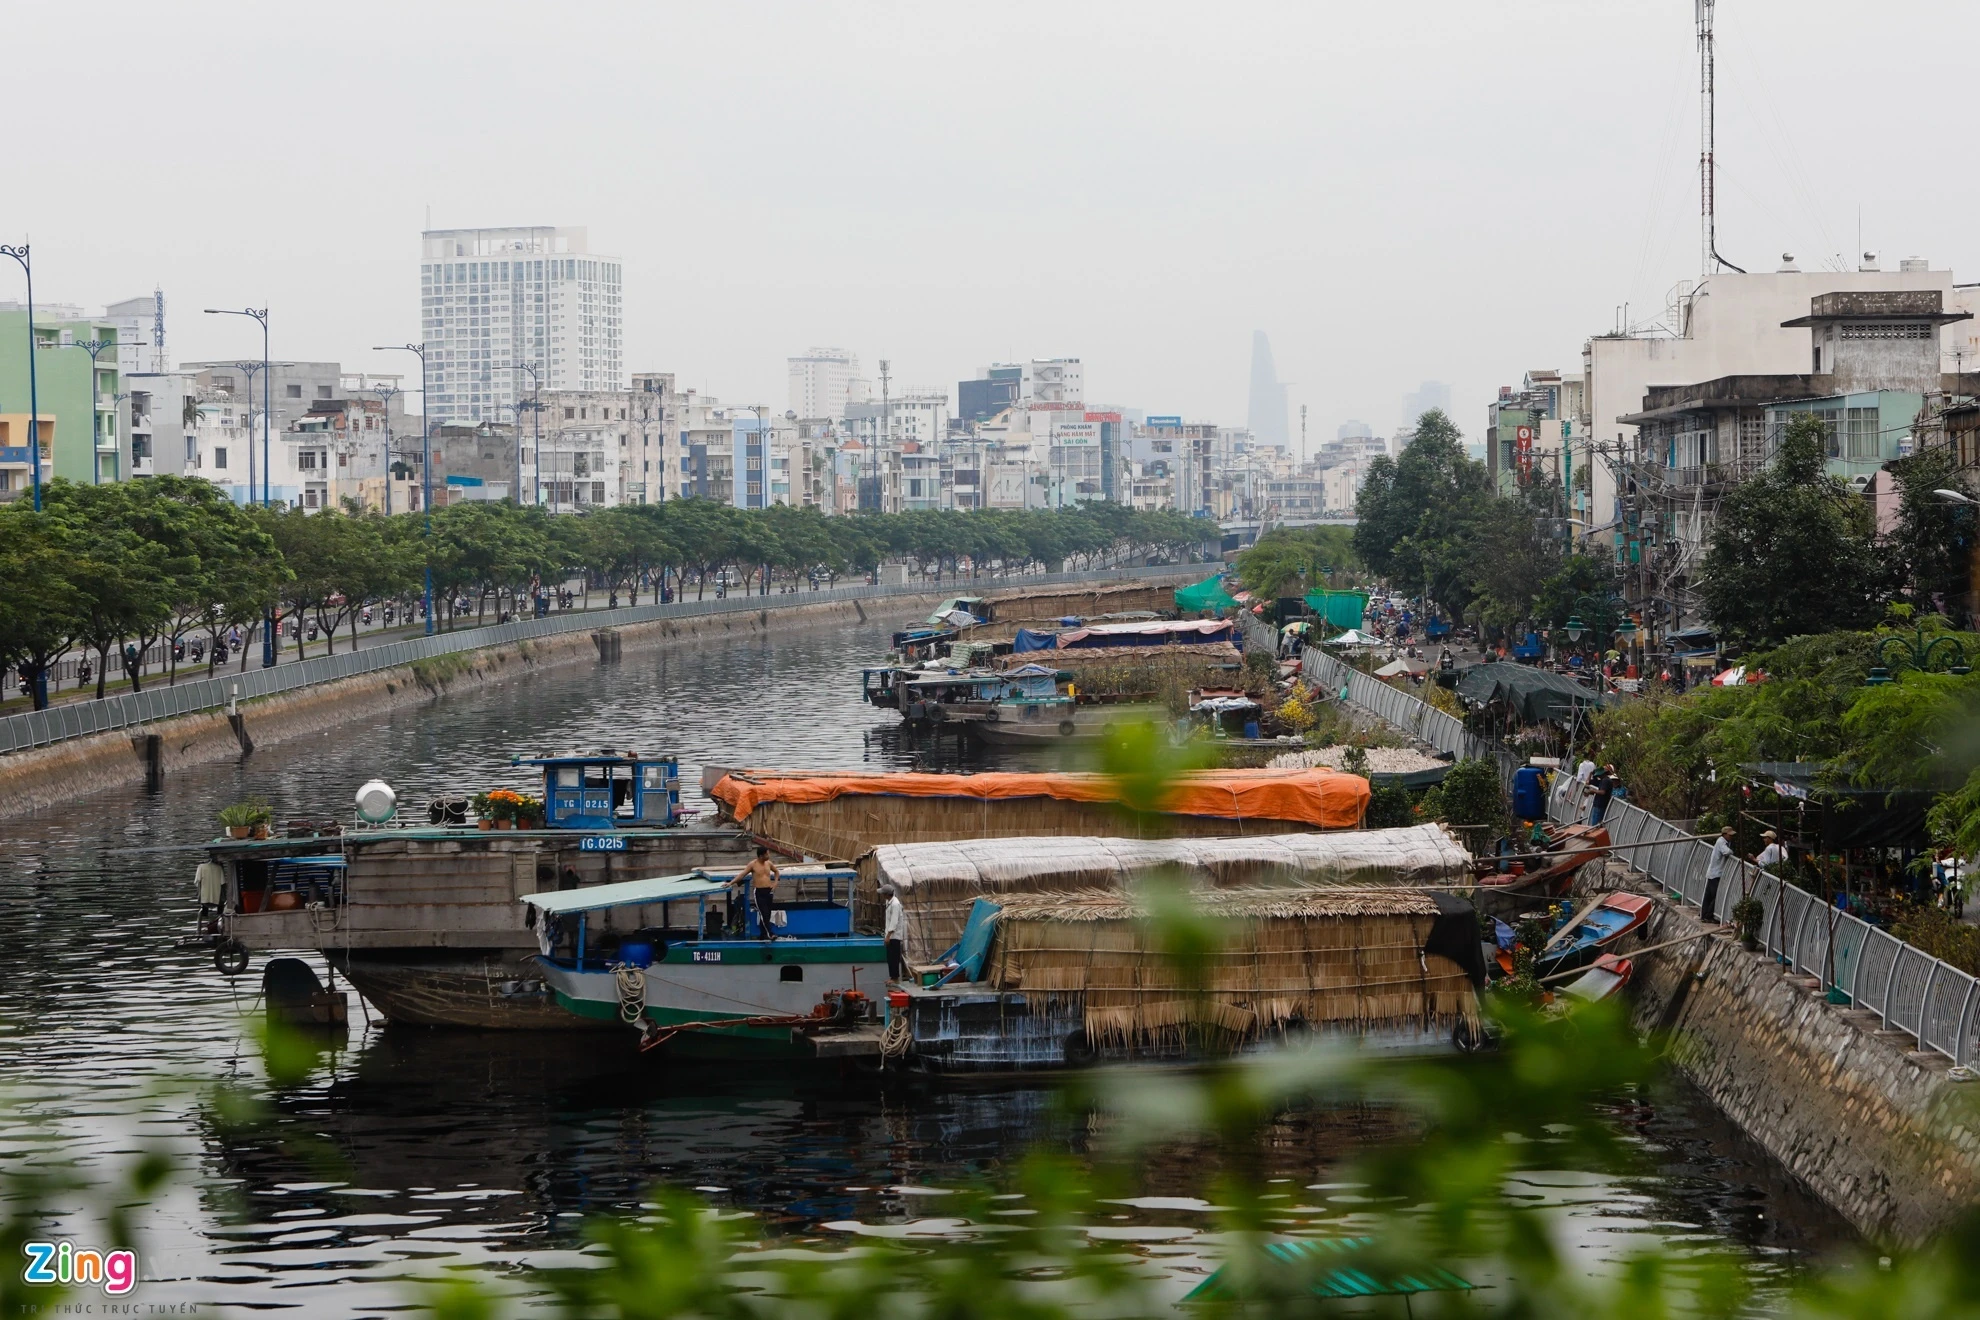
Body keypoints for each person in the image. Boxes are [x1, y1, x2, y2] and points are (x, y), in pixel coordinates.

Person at [742, 846, 780, 939]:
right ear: (761, 856)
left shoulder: (769, 863)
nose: (768, 855)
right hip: (759, 892)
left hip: (769, 891)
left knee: (768, 914)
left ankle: (763, 935)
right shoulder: (753, 864)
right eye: (767, 854)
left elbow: (776, 872)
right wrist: (731, 882)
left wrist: (775, 883)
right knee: (764, 913)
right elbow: (742, 874)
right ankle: (770, 934)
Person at [1701, 826, 1736, 924]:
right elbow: (1726, 852)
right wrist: (1732, 851)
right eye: (1730, 835)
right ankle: (1708, 916)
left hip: (1713, 873)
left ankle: (1704, 915)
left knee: (1708, 896)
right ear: (1724, 834)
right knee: (1715, 895)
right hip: (1715, 873)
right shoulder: (1721, 842)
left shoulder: (1724, 842)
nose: (1731, 837)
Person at [194, 857, 226, 932]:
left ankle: (205, 914)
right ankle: (220, 914)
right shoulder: (219, 868)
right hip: (217, 899)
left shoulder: (201, 867)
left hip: (204, 899)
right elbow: (222, 882)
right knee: (222, 894)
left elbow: (197, 881)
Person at [883, 885, 907, 982]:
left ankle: (895, 977)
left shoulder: (895, 904)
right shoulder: (889, 902)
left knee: (894, 957)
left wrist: (888, 936)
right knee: (890, 957)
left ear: (887, 894)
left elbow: (894, 921)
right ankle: (892, 976)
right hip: (890, 935)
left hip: (894, 936)